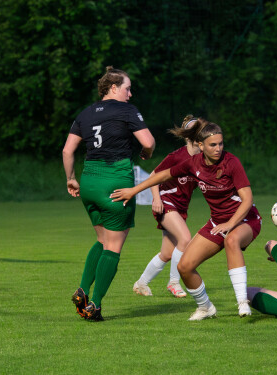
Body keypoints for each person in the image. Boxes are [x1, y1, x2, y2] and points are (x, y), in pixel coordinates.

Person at [110, 118, 262, 320]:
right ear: (201, 145)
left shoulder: (231, 162)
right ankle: (205, 307)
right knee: (184, 266)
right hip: (216, 222)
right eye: (213, 145)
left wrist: (230, 224)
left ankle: (242, 303)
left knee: (231, 240)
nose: (218, 149)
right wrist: (134, 191)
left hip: (245, 220)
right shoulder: (192, 163)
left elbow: (247, 199)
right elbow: (161, 175)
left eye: (221, 144)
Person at [62, 66, 155, 321]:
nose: (130, 93)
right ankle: (96, 304)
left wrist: (71, 179)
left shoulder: (86, 113)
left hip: (89, 181)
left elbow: (67, 151)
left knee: (103, 240)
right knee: (113, 246)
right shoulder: (127, 110)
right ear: (113, 87)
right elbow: (147, 142)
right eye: (127, 88)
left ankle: (83, 289)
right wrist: (146, 153)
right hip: (115, 181)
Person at [133, 115, 200, 298]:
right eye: (194, 130)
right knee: (185, 239)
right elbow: (153, 176)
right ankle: (174, 283)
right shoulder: (177, 156)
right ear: (187, 136)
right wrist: (156, 199)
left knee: (167, 253)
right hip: (166, 202)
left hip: (181, 208)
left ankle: (141, 283)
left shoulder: (203, 159)